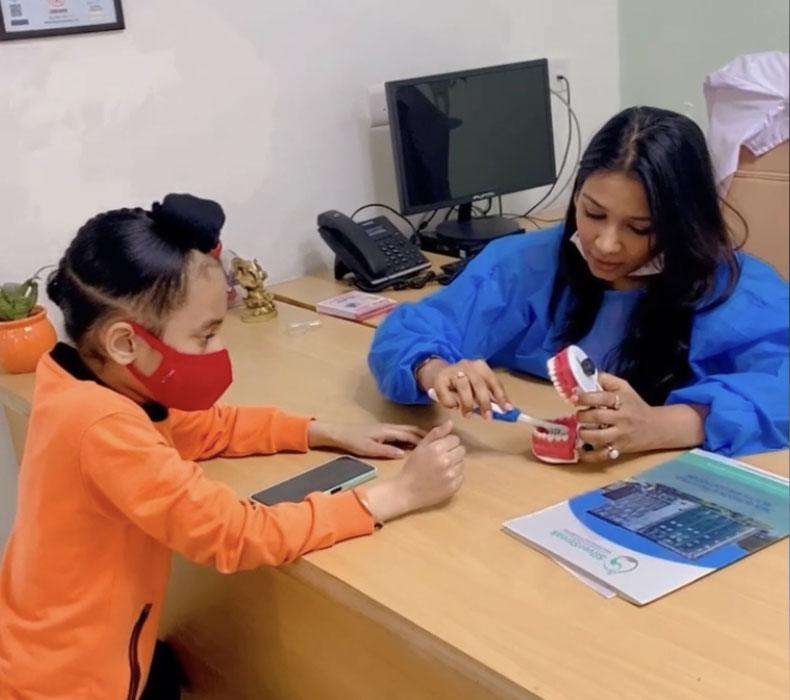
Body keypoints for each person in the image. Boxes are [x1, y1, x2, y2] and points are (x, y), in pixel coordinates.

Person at [0, 194, 466, 699]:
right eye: (204, 336)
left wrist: (321, 431)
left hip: (62, 645)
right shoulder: (101, 426)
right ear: (124, 344)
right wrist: (394, 497)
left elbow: (203, 429)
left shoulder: (78, 380)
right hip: (74, 682)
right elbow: (234, 534)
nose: (218, 351)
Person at [369, 106, 788, 461]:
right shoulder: (526, 264)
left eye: (639, 227)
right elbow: (408, 331)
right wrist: (436, 370)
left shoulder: (737, 291)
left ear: (683, 223)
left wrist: (665, 425)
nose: (606, 244)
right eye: (593, 213)